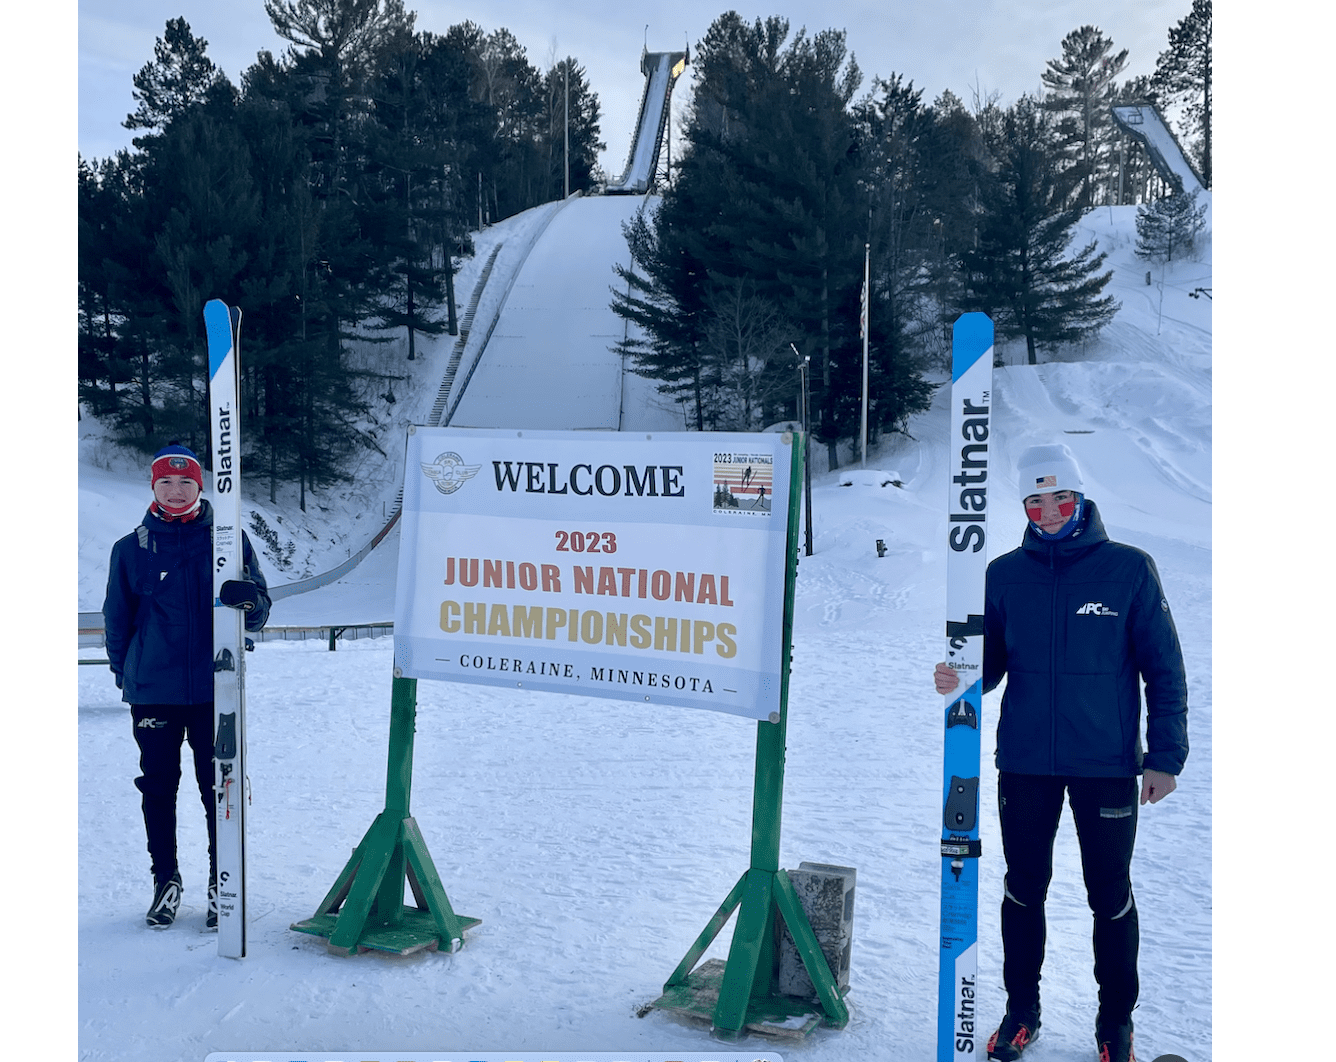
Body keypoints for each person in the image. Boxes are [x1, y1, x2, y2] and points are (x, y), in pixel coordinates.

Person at [933, 443, 1187, 1062]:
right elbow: (993, 664)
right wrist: (962, 675)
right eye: (1035, 501)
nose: (1048, 511)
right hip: (1023, 763)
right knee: (1024, 888)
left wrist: (1165, 758)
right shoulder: (1003, 574)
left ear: (1080, 499)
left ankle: (1114, 1024)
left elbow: (1165, 668)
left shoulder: (1128, 569)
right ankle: (1022, 1012)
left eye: (1060, 498)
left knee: (1110, 894)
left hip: (1105, 766)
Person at [103, 444, 271, 929]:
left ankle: (223, 884)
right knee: (159, 787)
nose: (176, 492)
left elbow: (260, 612)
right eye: (165, 483)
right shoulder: (130, 549)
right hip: (153, 692)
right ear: (153, 487)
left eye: (186, 483)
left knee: (217, 787)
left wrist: (250, 602)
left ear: (200, 487)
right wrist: (129, 675)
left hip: (213, 689)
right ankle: (166, 880)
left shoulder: (226, 539)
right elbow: (117, 623)